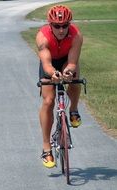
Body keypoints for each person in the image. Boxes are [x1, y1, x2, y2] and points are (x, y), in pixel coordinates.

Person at [36, 5, 83, 168]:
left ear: (69, 24)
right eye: (57, 26)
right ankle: (46, 148)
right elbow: (47, 64)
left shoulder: (76, 35)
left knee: (75, 77)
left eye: (65, 26)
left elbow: (72, 61)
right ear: (50, 25)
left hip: (66, 61)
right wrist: (53, 74)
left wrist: (68, 71)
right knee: (48, 101)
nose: (61, 30)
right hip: (49, 63)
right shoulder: (42, 37)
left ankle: (73, 110)